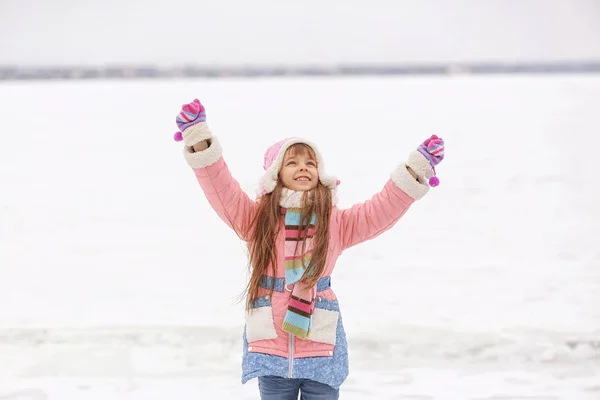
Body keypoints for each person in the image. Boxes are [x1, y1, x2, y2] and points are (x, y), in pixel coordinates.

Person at [174, 98, 445, 399]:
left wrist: (413, 170)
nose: (303, 168)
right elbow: (221, 189)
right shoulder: (256, 219)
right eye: (292, 162)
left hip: (319, 346)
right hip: (272, 349)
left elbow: (379, 211)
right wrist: (199, 139)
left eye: (310, 163)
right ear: (275, 174)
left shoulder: (335, 222)